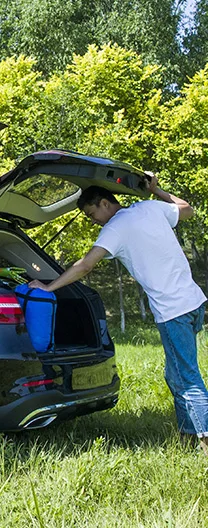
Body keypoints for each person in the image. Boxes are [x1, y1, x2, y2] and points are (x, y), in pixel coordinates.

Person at [28, 173, 208, 453]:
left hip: (173, 311)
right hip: (194, 304)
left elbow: (86, 265)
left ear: (104, 203)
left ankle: (205, 441)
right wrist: (157, 191)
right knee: (175, 376)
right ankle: (187, 437)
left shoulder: (116, 228)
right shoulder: (148, 208)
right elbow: (187, 209)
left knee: (187, 378)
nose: (93, 221)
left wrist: (49, 288)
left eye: (91, 214)